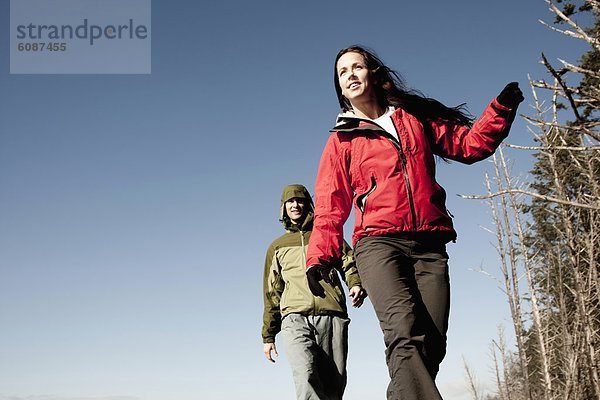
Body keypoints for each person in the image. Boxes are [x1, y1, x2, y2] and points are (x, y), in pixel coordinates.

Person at [305, 46, 524, 400]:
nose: (350, 74)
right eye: (342, 72)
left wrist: (500, 109)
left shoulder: (413, 120)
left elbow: (469, 146)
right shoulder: (341, 140)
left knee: (431, 342)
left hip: (429, 245)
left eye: (357, 66)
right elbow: (331, 205)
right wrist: (320, 257)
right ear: (340, 88)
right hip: (378, 244)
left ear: (372, 74)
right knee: (404, 333)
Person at [262, 184, 367, 400]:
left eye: (299, 200)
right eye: (290, 201)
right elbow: (272, 292)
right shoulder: (277, 247)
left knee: (333, 385)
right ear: (283, 208)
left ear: (308, 204)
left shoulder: (327, 234)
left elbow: (348, 261)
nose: (295, 205)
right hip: (294, 317)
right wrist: (268, 334)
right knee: (305, 374)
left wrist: (355, 283)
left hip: (331, 314)